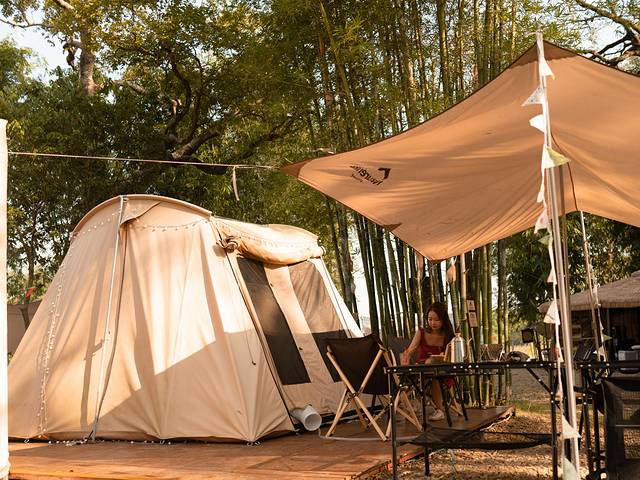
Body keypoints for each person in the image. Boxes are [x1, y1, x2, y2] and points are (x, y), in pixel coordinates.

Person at [400, 301, 456, 421]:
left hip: (442, 370)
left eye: (437, 320)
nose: (433, 323)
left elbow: (451, 357)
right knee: (425, 372)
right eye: (430, 319)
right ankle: (413, 402)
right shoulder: (421, 332)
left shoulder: (448, 335)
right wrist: (406, 356)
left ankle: (437, 410)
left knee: (435, 375)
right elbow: (410, 349)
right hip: (423, 369)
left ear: (443, 320)